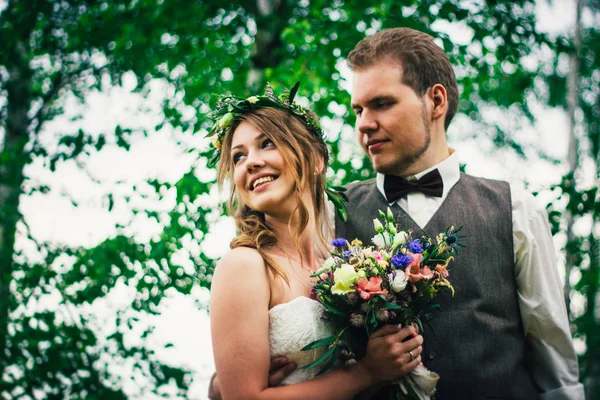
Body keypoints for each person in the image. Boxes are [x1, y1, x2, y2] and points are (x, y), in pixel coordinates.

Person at [210, 27, 584, 400]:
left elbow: (555, 363)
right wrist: (221, 387)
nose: (363, 123)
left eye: (382, 104)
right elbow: (255, 339)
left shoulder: (514, 207)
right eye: (358, 109)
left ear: (435, 102)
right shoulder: (325, 213)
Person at [208, 84, 423, 399]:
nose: (250, 163)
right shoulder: (245, 265)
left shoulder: (348, 261)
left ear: (316, 159)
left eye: (267, 143)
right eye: (238, 157)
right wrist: (367, 372)